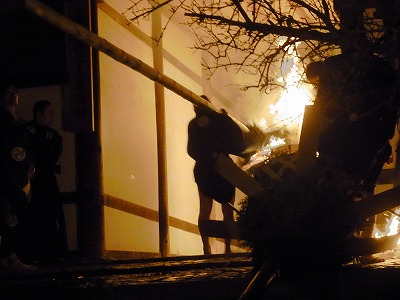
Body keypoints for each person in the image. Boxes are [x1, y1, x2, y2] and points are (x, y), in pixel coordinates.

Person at [306, 53, 398, 263]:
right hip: (374, 140)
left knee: (345, 191)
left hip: (353, 144)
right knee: (365, 190)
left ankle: (351, 245)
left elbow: (322, 108)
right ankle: (362, 247)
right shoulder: (374, 70)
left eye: (316, 83)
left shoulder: (334, 74)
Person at [187, 95, 245, 254]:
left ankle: (209, 247)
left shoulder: (196, 125)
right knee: (226, 211)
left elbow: (191, 150)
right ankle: (220, 247)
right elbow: (237, 143)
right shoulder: (220, 121)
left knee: (208, 209)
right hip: (218, 167)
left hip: (208, 169)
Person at [23, 100, 67, 263]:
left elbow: (52, 156)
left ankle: (52, 252)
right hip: (32, 179)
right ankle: (33, 253)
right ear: (38, 114)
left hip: (47, 180)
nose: (51, 116)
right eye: (48, 112)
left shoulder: (53, 135)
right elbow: (28, 154)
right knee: (33, 215)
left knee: (50, 215)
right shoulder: (26, 131)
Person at [0, 83, 35, 272]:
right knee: (11, 216)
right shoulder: (3, 120)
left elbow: (24, 149)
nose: (13, 96)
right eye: (9, 92)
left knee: (18, 216)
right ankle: (9, 257)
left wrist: (30, 165)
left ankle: (10, 256)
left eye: (15, 93)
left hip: (21, 174)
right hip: (7, 176)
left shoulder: (19, 122)